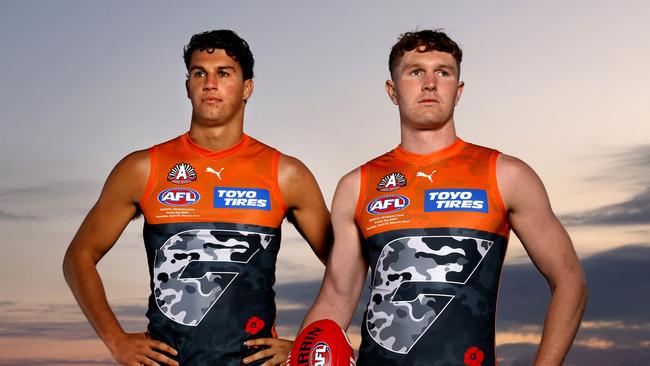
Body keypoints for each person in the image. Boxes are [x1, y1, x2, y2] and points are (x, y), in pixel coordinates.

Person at [300, 30, 588, 366]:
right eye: (415, 71)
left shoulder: (506, 175)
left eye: (443, 72)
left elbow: (570, 282)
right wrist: (301, 353)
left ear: (458, 90)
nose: (430, 83)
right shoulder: (357, 185)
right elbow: (335, 300)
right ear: (392, 91)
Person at [63, 29, 332, 366]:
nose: (209, 83)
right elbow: (78, 256)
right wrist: (115, 340)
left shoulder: (286, 174)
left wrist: (307, 340)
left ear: (247, 87)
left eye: (224, 72)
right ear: (188, 85)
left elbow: (345, 269)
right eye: (199, 72)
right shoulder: (143, 168)